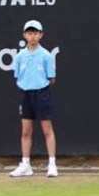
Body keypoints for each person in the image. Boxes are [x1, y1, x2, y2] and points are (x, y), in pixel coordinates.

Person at [11, 18, 58, 178]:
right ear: (24, 35)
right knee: (26, 131)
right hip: (25, 95)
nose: (32, 36)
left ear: (41, 35)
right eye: (29, 33)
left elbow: (51, 78)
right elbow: (17, 76)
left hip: (42, 94)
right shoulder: (19, 57)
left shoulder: (46, 55)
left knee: (47, 129)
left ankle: (52, 165)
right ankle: (26, 165)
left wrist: (39, 87)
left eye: (35, 33)